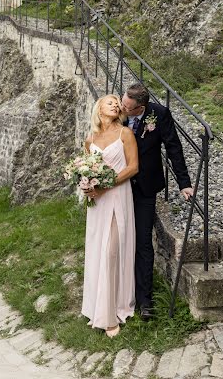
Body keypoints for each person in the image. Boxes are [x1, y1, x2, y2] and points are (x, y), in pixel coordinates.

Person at [121, 83, 193, 321]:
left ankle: (145, 301)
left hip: (145, 188)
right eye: (122, 102)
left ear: (140, 107)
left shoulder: (159, 115)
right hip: (116, 187)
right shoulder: (116, 113)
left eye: (128, 107)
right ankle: (117, 295)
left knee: (143, 242)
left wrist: (184, 183)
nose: (122, 108)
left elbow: (174, 147)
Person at [81, 94, 138, 337]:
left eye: (117, 103)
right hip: (97, 202)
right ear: (99, 109)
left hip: (116, 197)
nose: (115, 105)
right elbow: (85, 169)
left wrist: (106, 184)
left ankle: (111, 314)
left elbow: (133, 167)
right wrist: (86, 186)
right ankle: (97, 307)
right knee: (97, 250)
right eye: (110, 102)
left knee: (111, 251)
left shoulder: (125, 133)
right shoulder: (90, 139)